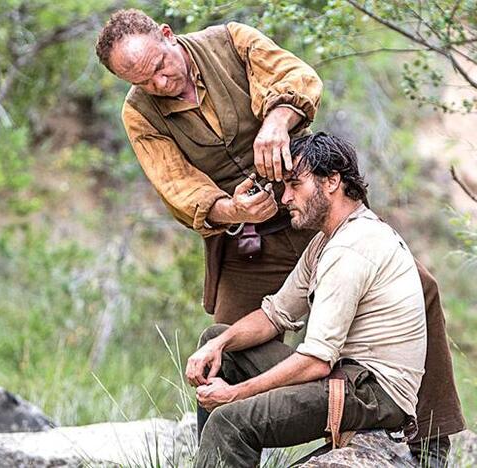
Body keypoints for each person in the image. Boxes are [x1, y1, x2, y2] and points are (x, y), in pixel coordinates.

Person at [95, 10, 464, 463]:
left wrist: (277, 120)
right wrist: (232, 208)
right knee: (223, 340)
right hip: (248, 239)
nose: (159, 83)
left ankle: (428, 444)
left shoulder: (230, 41)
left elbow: (299, 77)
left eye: (159, 66)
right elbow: (176, 186)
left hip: (312, 207)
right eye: (141, 81)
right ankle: (220, 452)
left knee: (421, 286)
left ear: (168, 36)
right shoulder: (139, 112)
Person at [186, 132, 426, 466]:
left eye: (295, 185)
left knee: (230, 422)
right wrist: (220, 343)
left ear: (331, 182)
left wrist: (235, 394)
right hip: (344, 376)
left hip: (373, 394)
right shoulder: (326, 241)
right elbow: (275, 315)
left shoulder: (351, 247)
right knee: (218, 341)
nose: (284, 198)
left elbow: (317, 360)